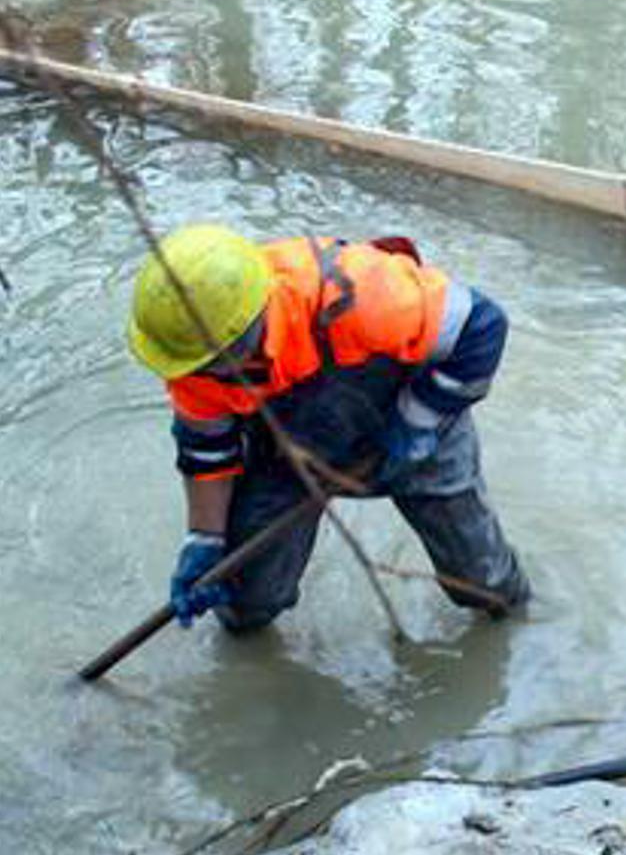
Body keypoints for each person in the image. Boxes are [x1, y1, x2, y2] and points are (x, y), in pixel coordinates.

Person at [127, 223, 530, 632]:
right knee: (246, 602)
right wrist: (204, 538)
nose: (202, 375)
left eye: (212, 363)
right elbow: (206, 453)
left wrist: (418, 420)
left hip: (415, 437)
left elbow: (482, 327)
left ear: (244, 335)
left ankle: (518, 621)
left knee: (484, 582)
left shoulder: (358, 294)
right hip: (287, 457)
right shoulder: (189, 355)